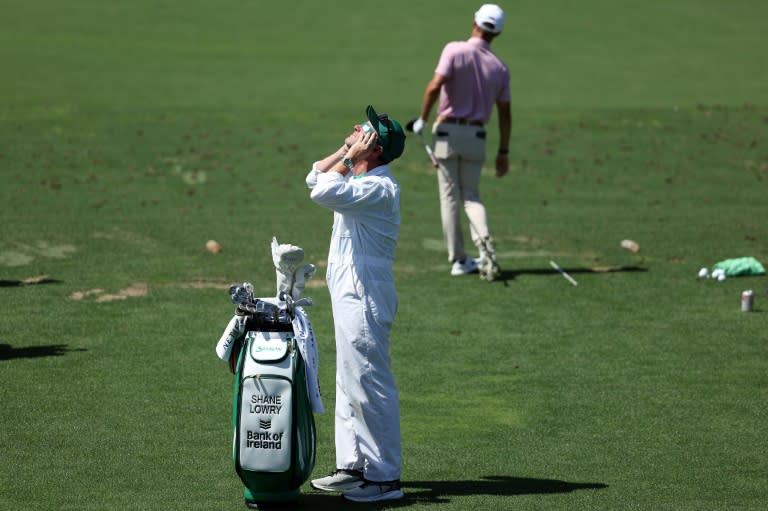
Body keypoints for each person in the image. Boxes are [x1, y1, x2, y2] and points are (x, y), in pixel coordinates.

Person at [305, 105, 406, 503]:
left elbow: (322, 190)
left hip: (364, 291)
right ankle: (353, 466)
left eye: (363, 130)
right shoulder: (360, 177)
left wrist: (351, 156)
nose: (354, 128)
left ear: (375, 148)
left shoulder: (378, 188)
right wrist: (347, 151)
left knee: (368, 380)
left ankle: (383, 478)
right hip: (349, 287)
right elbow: (315, 175)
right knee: (348, 379)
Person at [412, 3, 511, 280]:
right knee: (471, 196)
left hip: (447, 134)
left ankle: (458, 259)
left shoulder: (454, 50)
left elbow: (434, 86)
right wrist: (503, 151)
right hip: (477, 136)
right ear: (498, 33)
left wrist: (422, 118)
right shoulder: (500, 68)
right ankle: (484, 243)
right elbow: (505, 113)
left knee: (449, 197)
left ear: (474, 23)